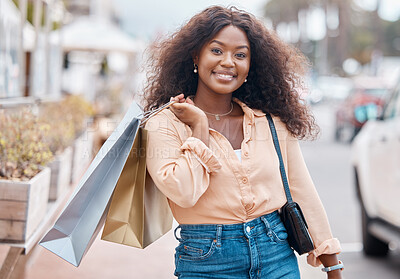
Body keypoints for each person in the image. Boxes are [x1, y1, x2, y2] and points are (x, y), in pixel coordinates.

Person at [143, 5, 342, 279]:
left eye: (240, 55)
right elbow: (184, 193)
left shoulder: (270, 122)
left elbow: (301, 189)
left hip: (276, 253)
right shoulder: (164, 124)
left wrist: (332, 265)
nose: (228, 62)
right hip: (207, 261)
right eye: (216, 50)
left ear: (250, 65)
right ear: (195, 56)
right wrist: (199, 126)